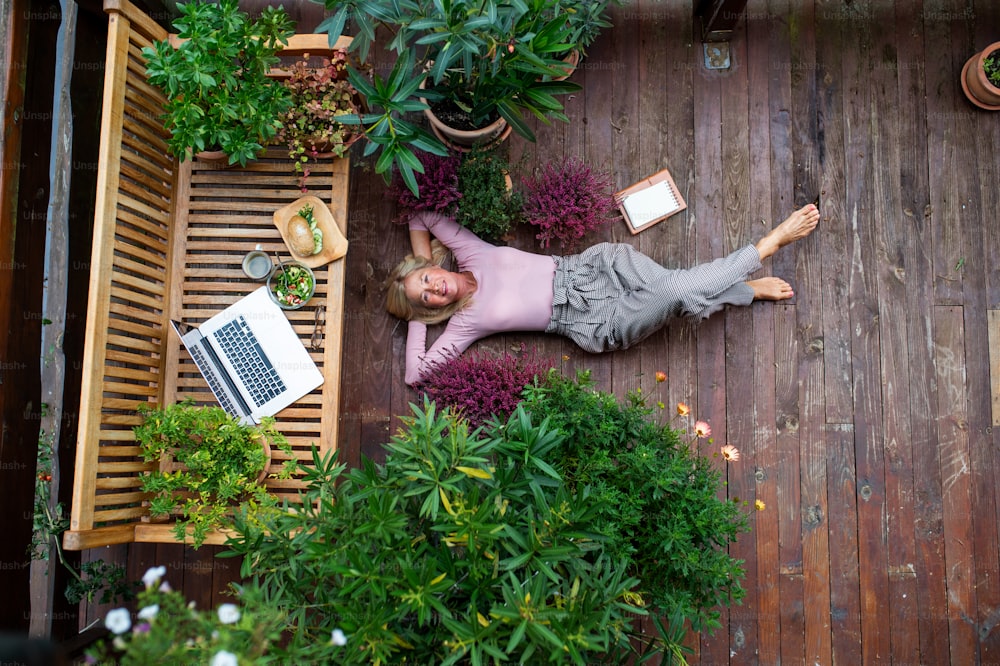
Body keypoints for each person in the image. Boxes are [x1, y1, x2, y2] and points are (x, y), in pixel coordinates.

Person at [386, 203, 820, 386]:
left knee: (675, 290)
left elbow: (421, 214)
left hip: (597, 267)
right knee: (673, 289)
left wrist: (419, 261)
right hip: (595, 321)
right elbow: (415, 375)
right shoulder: (465, 322)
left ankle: (741, 290)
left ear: (430, 268)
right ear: (433, 310)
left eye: (426, 280)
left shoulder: (468, 253)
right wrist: (415, 318)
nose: (434, 289)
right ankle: (767, 246)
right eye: (427, 299)